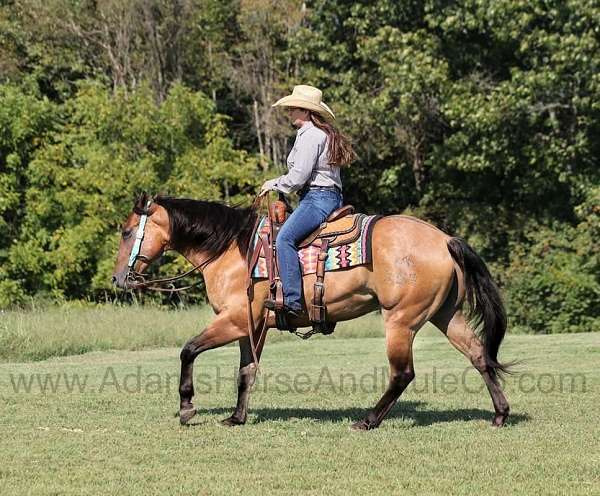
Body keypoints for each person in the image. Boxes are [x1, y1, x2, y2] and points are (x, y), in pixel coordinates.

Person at [260, 84, 356, 318]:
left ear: (304, 111)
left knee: (284, 239)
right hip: (326, 197)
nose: (290, 111)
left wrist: (273, 184)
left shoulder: (311, 135)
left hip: (317, 198)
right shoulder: (317, 134)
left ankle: (292, 301)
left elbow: (298, 177)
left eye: (293, 107)